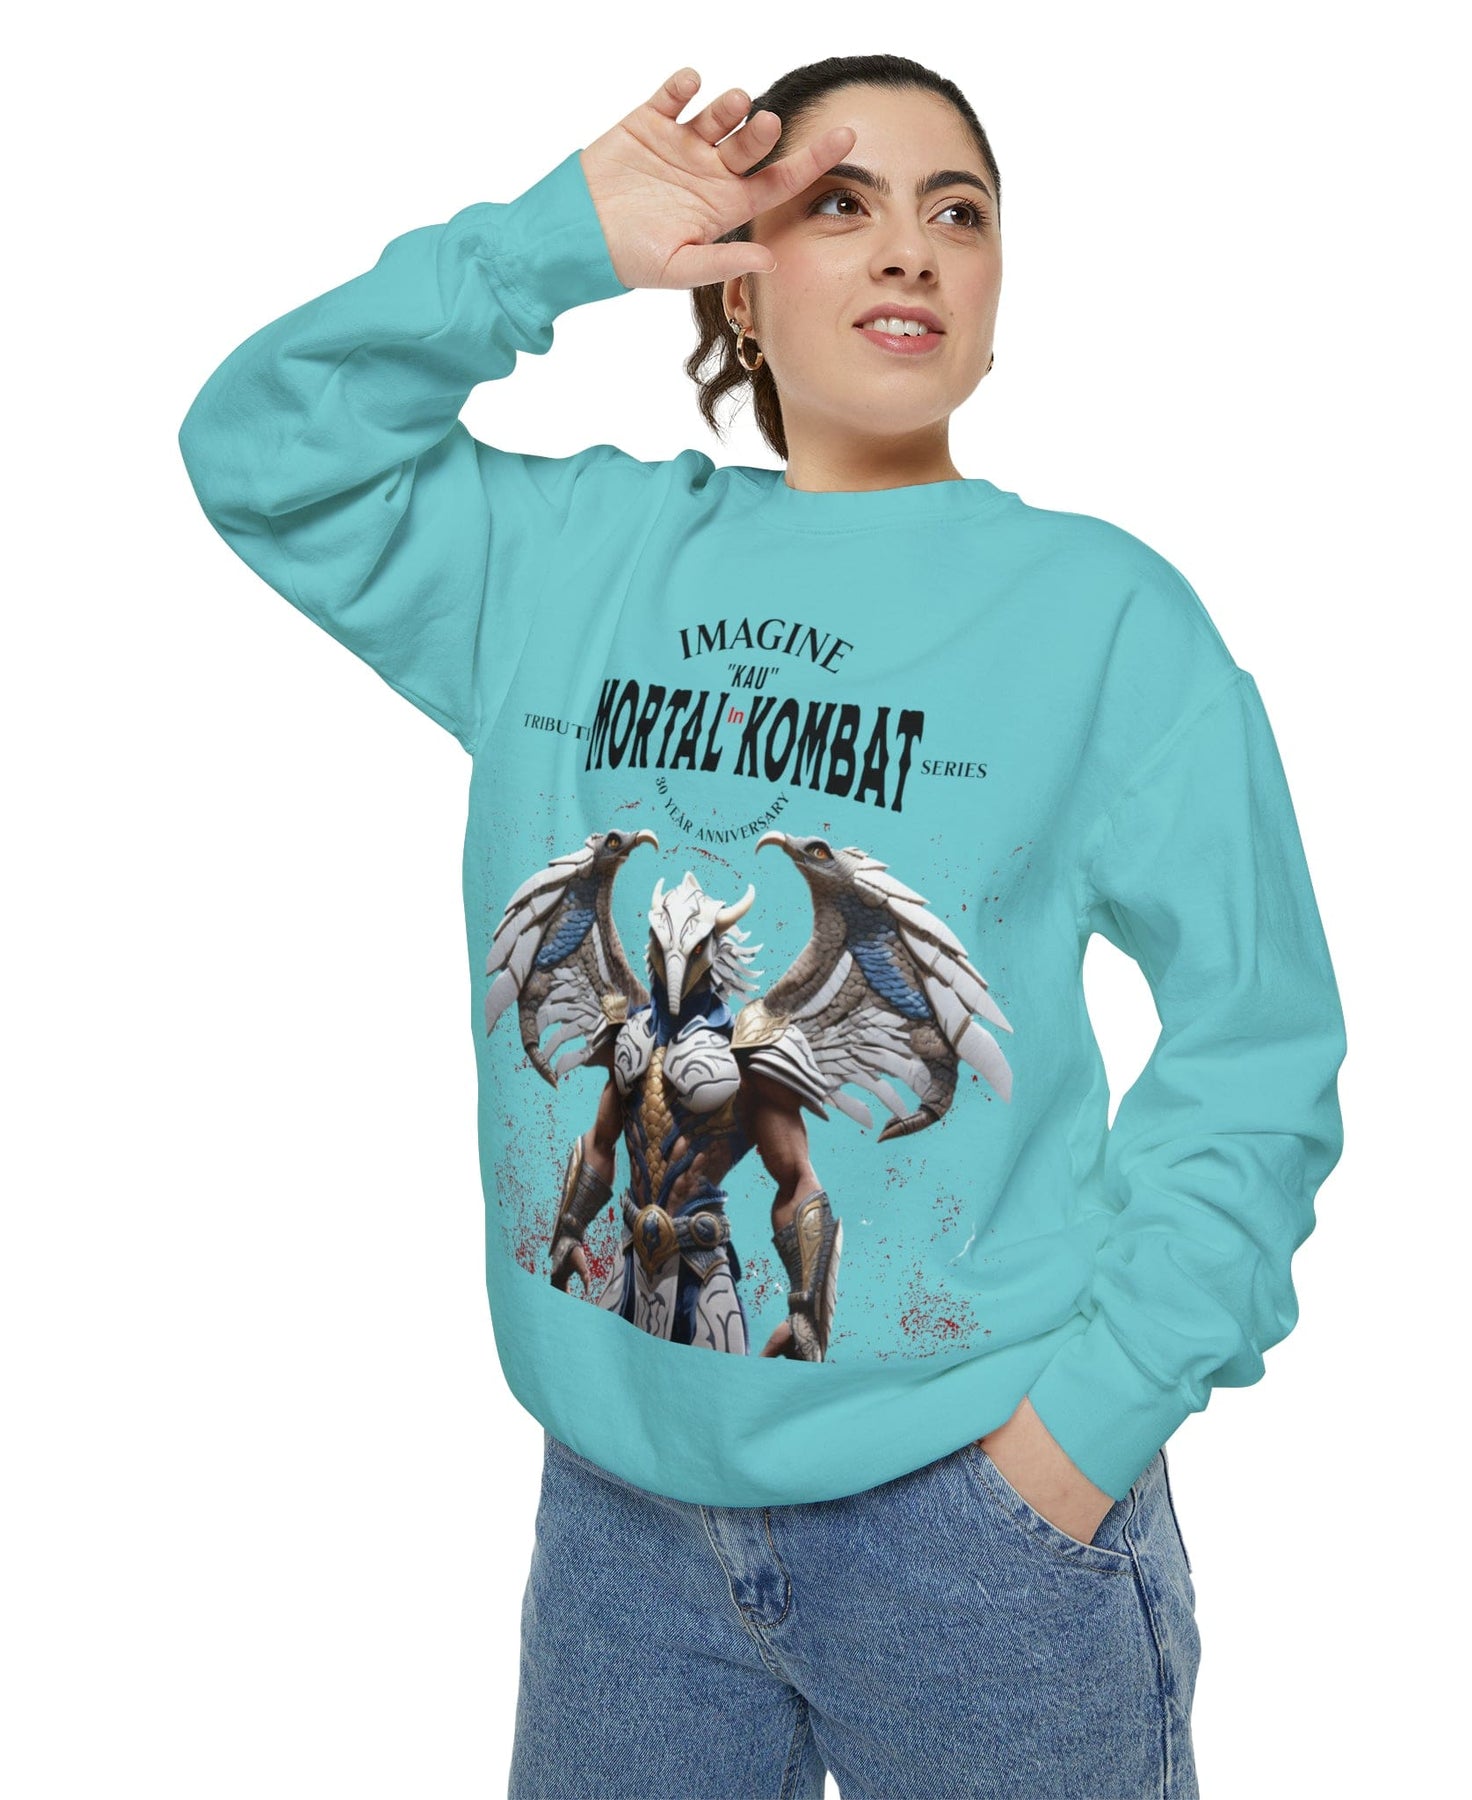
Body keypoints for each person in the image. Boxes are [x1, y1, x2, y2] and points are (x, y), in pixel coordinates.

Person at [178, 53, 1347, 1800]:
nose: (911, 249)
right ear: (736, 277)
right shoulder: (568, 563)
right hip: (618, 1529)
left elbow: (1258, 1041)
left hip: (973, 1524)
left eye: (959, 213)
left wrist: (1082, 1438)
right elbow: (263, 453)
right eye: (839, 204)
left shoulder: (1102, 617)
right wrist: (551, 244)